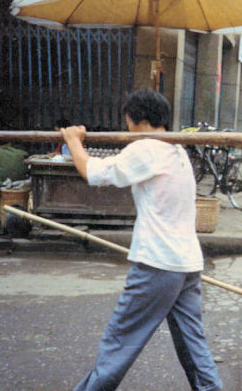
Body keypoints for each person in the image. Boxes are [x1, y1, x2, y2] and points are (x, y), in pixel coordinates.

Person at [63, 89, 222, 391]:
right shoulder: (175, 149)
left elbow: (94, 173)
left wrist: (73, 140)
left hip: (158, 264)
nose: (127, 127)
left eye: (128, 121)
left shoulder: (147, 148)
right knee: (193, 345)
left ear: (138, 119)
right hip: (186, 263)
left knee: (119, 342)